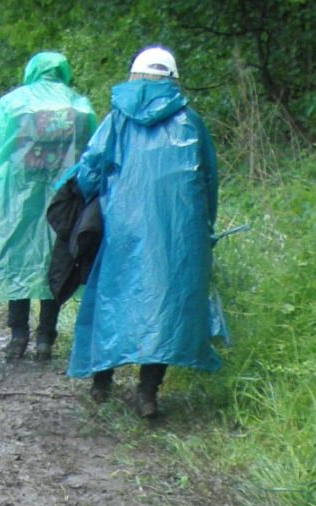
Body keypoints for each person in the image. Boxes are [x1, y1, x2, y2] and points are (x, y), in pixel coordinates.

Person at [65, 46, 222, 419]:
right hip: (177, 233)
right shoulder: (191, 123)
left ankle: (101, 383)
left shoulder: (117, 120)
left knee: (112, 296)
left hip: (122, 226)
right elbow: (209, 181)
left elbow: (90, 169)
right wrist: (204, 228)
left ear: (135, 77)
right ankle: (148, 393)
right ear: (173, 80)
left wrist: (88, 197)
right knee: (165, 304)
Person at [0, 51, 97, 360]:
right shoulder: (80, 107)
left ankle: (18, 336)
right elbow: (91, 152)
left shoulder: (14, 103)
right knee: (55, 262)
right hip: (63, 200)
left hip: (17, 197)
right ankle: (45, 338)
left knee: (17, 258)